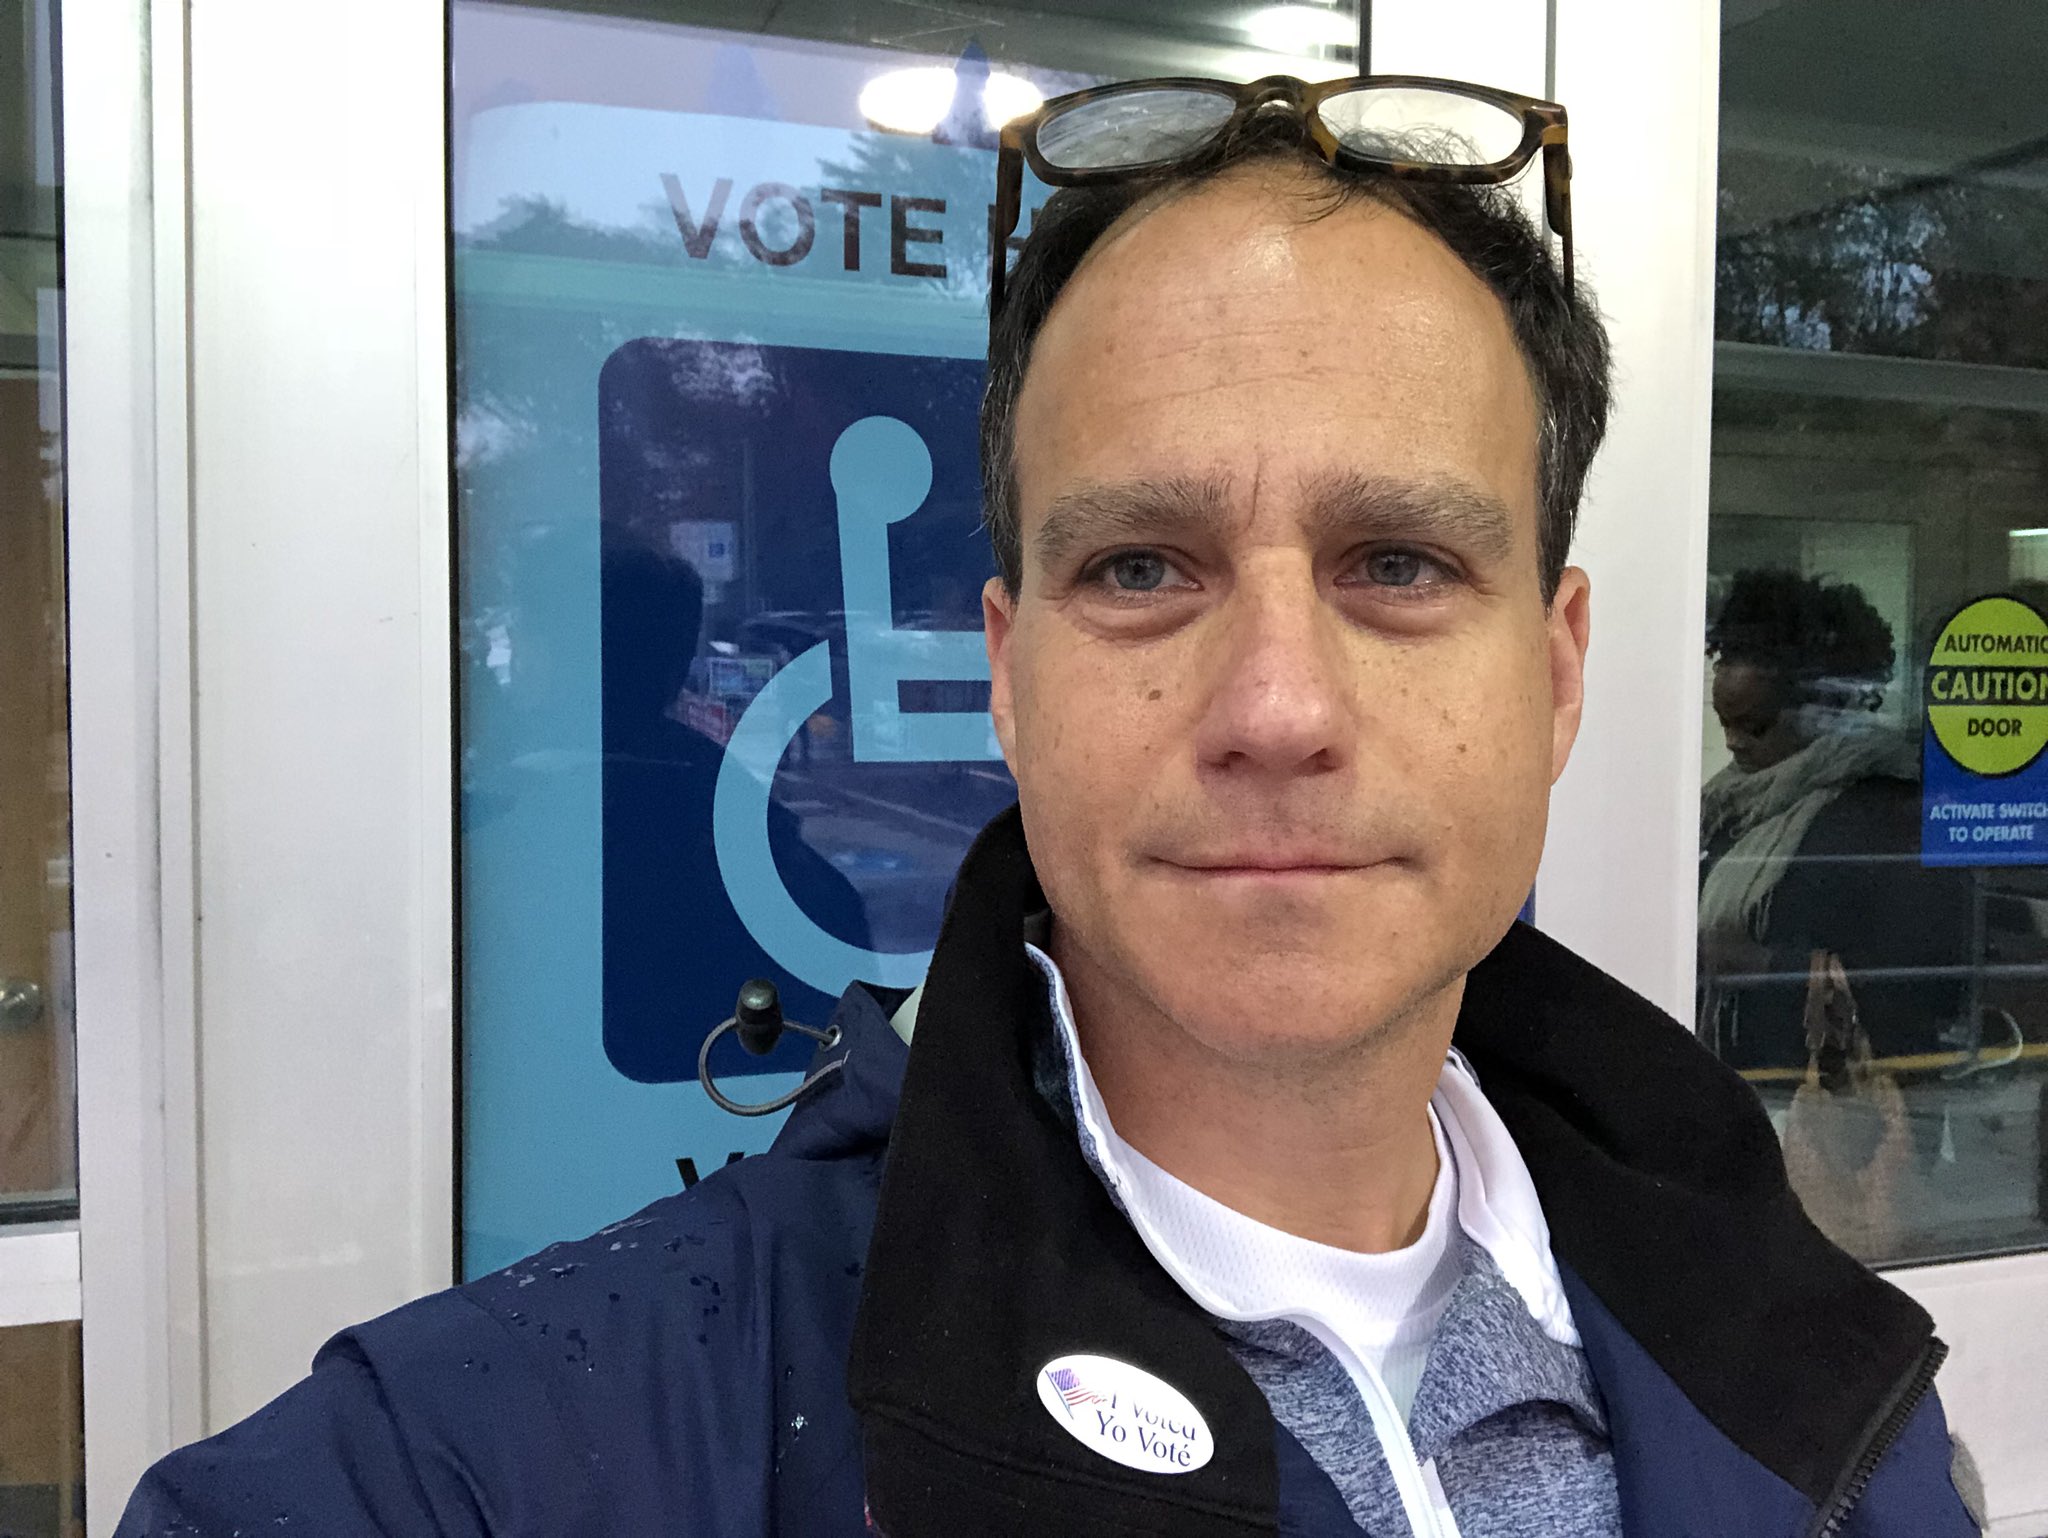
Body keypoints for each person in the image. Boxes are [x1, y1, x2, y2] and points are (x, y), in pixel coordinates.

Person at [117, 76, 1982, 1537]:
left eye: (1397, 562)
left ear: (1557, 672)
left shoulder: (1821, 1376)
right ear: (1007, 679)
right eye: (1144, 568)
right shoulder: (534, 1447)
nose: (1273, 705)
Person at [1699, 568, 1971, 1073]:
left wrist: (1761, 965)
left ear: (1830, 706)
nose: (1735, 744)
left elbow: (1923, 989)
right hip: (1739, 1082)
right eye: (1725, 723)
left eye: (1755, 725)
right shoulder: (1732, 802)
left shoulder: (1888, 810)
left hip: (1841, 1109)